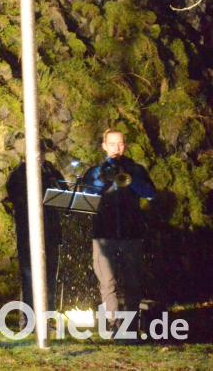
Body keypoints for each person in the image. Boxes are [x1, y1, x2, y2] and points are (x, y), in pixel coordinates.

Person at [78, 129, 155, 331]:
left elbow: (150, 193)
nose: (117, 148)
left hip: (131, 233)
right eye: (112, 144)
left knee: (133, 282)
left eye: (120, 144)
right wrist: (103, 179)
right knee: (107, 282)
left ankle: (129, 324)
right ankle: (113, 324)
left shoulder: (136, 169)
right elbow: (86, 194)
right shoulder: (95, 171)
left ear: (125, 145)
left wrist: (130, 178)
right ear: (104, 146)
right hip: (104, 234)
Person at [5, 151, 63, 326]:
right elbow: (15, 196)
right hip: (28, 229)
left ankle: (48, 317)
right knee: (29, 273)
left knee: (50, 274)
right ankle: (28, 319)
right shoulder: (19, 174)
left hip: (50, 228)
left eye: (41, 154)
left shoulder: (51, 172)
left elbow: (64, 192)